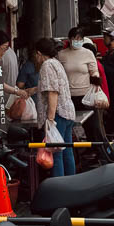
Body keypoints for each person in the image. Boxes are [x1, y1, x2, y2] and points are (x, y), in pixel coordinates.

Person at [35, 37, 76, 177]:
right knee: (67, 151)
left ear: (39, 53)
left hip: (57, 115)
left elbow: (53, 92)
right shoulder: (56, 63)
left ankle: (59, 188)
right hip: (67, 112)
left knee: (56, 154)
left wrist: (50, 120)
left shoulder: (47, 65)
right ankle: (71, 185)